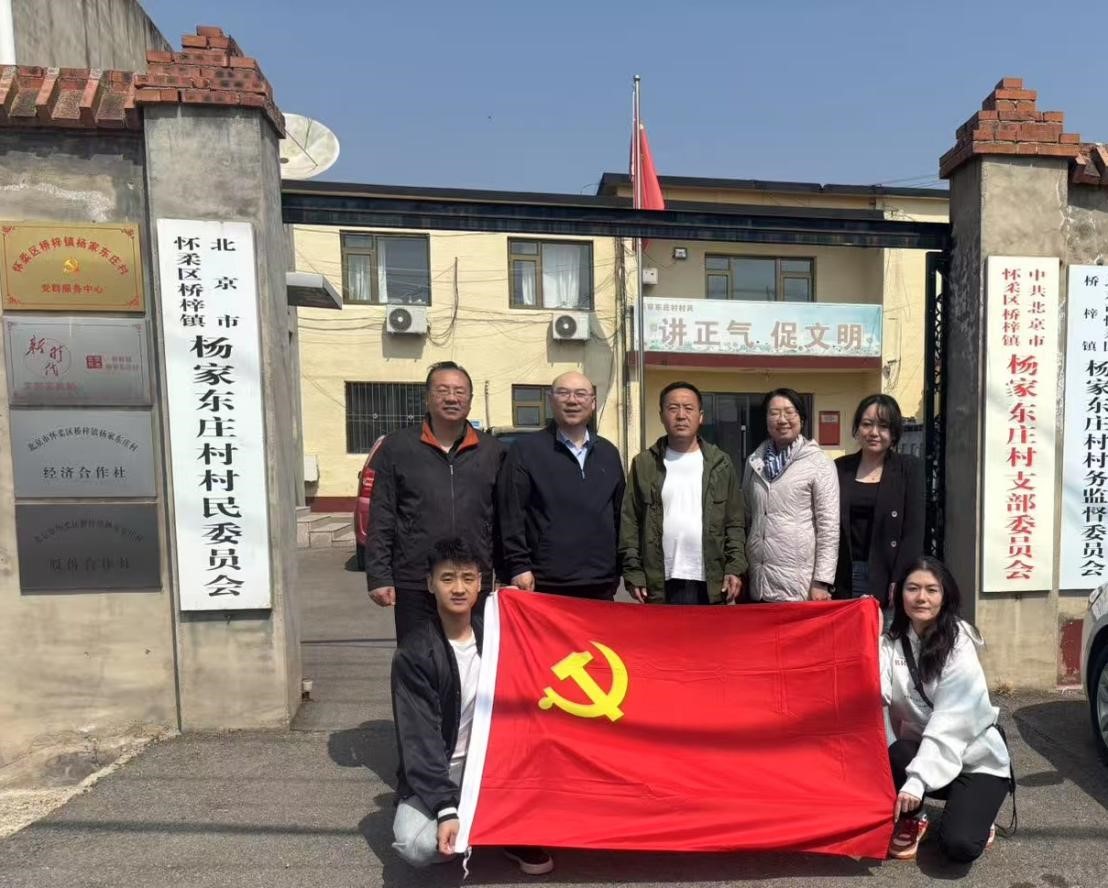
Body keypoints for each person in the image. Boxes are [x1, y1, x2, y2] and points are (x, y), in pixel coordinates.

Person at [391, 537, 554, 875]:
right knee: (415, 846)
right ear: (430, 584)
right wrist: (444, 807)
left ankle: (507, 833)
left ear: (481, 583)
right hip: (444, 767)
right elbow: (419, 740)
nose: (458, 588)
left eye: (468, 578)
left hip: (496, 764)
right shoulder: (415, 653)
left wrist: (522, 604)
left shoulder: (498, 635)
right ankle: (471, 822)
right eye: (447, 578)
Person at [882, 556, 1012, 863]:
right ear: (899, 594)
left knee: (960, 846)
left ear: (945, 596)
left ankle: (978, 810)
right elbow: (873, 694)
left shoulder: (960, 643)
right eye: (912, 588)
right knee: (896, 750)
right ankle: (915, 817)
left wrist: (916, 781)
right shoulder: (889, 643)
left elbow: (950, 719)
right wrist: (862, 625)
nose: (921, 597)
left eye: (931, 590)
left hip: (976, 760)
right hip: (923, 754)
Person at [365, 361, 505, 642]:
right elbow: (382, 514)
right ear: (427, 398)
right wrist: (379, 576)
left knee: (472, 656)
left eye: (459, 391)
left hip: (472, 579)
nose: (452, 398)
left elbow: (504, 518)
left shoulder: (492, 451)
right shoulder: (398, 447)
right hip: (415, 579)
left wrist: (506, 573)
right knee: (418, 657)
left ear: (470, 400)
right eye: (443, 390)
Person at [498, 371, 624, 600]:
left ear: (593, 403)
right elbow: (511, 513)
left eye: (581, 394)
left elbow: (619, 515)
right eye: (563, 393)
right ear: (550, 400)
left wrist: (619, 568)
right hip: (545, 582)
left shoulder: (609, 453)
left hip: (600, 581)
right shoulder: (525, 450)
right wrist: (519, 565)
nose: (572, 400)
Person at [620, 381, 746, 605]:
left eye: (688, 408)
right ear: (661, 415)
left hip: (711, 581)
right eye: (673, 408)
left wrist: (734, 568)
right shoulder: (644, 464)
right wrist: (634, 572)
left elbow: (734, 522)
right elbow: (630, 522)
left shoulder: (721, 464)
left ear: (700, 416)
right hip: (659, 581)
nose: (680, 416)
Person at [741, 387, 838, 602]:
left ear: (801, 418)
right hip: (758, 582)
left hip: (799, 587)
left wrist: (822, 581)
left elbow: (829, 528)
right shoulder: (754, 461)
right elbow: (747, 516)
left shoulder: (819, 462)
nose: (782, 419)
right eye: (774, 413)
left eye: (789, 412)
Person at [833, 394, 925, 614]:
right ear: (857, 428)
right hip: (845, 573)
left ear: (894, 432)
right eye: (867, 424)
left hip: (887, 574)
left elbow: (913, 530)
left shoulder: (908, 468)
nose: (874, 432)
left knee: (883, 633)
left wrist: (901, 577)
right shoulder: (839, 468)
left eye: (883, 426)